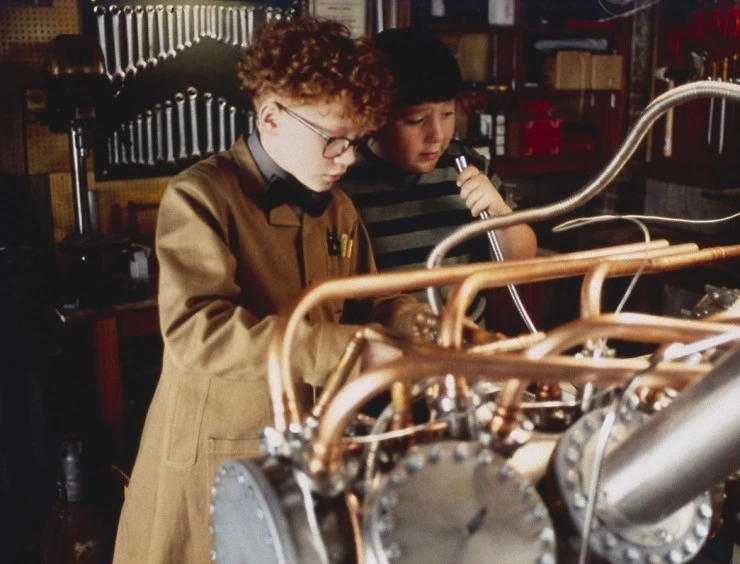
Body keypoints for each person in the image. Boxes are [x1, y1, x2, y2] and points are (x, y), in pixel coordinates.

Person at [113, 17, 427, 563]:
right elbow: (197, 332)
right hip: (218, 452)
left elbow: (370, 300)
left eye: (356, 142)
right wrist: (342, 351)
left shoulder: (338, 207)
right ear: (271, 117)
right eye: (333, 140)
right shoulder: (201, 196)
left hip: (305, 448)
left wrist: (416, 322)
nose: (347, 158)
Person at [340, 27, 538, 328]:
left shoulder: (467, 166)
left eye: (447, 114)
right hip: (382, 348)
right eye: (416, 119)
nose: (437, 135)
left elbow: (522, 263)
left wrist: (499, 214)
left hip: (462, 343)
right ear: (375, 116)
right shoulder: (343, 178)